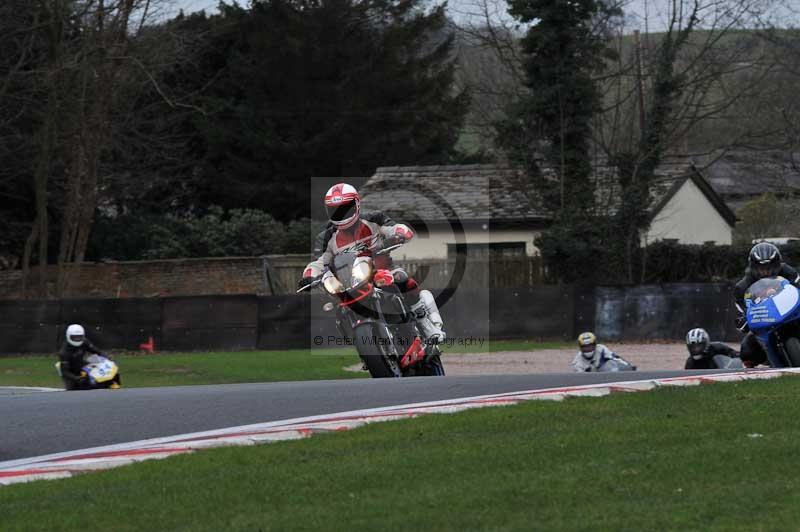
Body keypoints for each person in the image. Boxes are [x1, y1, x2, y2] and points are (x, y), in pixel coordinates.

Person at [298, 183, 445, 343]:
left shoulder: (374, 219)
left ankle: (425, 324)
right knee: (340, 310)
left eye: (345, 208)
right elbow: (318, 261)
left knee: (401, 277)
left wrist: (400, 231)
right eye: (336, 210)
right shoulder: (326, 236)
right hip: (349, 283)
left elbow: (391, 227)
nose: (341, 214)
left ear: (357, 204)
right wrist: (309, 275)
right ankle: (368, 349)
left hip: (381, 271)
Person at [733, 242, 800, 367]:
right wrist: (743, 320)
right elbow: (742, 311)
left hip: (790, 313)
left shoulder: (789, 272)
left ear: (778, 264)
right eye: (761, 268)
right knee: (747, 351)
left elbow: (798, 288)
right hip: (764, 321)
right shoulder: (741, 287)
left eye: (770, 267)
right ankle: (763, 369)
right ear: (753, 267)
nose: (766, 272)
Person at [58, 324, 120, 390]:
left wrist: (108, 357)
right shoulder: (64, 352)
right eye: (74, 337)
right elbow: (65, 372)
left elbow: (97, 351)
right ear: (68, 336)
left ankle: (111, 383)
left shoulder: (84, 342)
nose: (77, 339)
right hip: (70, 371)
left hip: (81, 364)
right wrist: (77, 378)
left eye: (79, 337)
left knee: (96, 360)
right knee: (73, 389)